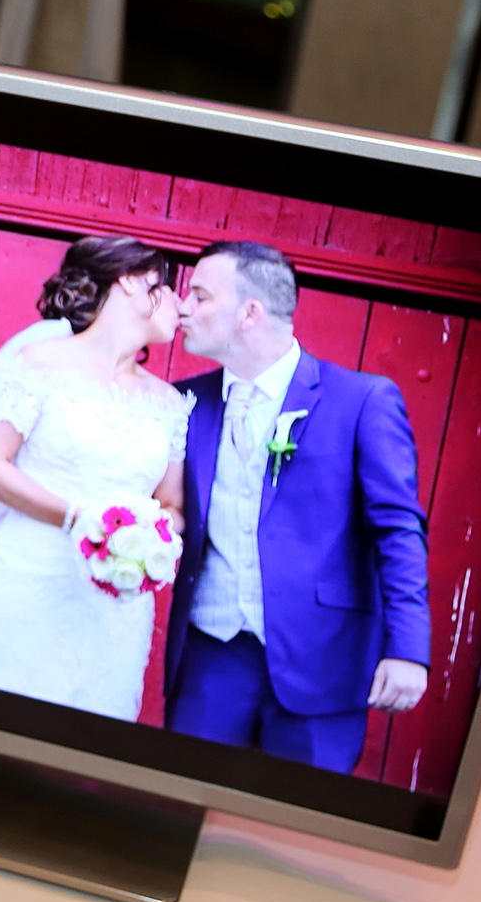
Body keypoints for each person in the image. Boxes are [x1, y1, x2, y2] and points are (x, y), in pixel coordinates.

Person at [163, 240, 431, 772]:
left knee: (298, 815)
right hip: (210, 655)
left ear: (250, 313)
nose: (182, 308)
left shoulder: (361, 400)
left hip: (325, 659)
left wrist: (408, 648)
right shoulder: (184, 402)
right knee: (181, 799)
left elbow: (398, 529)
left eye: (200, 295)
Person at [0, 236, 190, 720]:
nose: (181, 305)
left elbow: (173, 507)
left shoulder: (169, 404)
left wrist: (148, 536)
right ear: (131, 282)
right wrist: (81, 518)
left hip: (114, 603)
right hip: (28, 579)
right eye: (170, 287)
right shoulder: (38, 364)